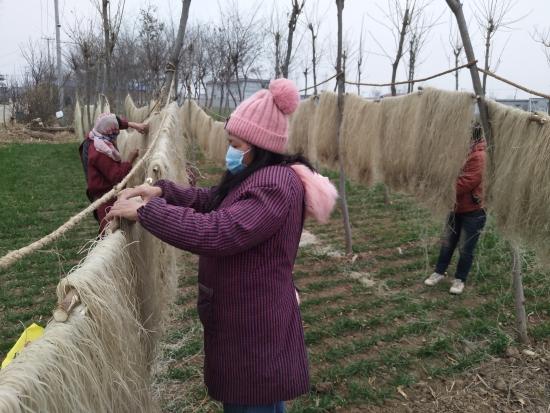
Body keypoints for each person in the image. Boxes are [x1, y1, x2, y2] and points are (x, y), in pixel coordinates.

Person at [106, 78, 338, 412]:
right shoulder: (259, 176)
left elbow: (218, 230)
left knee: (253, 401)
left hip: (254, 331)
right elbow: (216, 199)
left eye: (235, 143)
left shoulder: (274, 187)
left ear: (259, 146)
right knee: (261, 401)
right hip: (245, 322)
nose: (229, 149)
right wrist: (165, 192)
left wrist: (147, 212)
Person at [424, 122, 487, 295]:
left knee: (466, 248)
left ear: (471, 136)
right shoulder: (462, 152)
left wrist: (442, 188)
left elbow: (466, 183)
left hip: (473, 211)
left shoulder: (479, 156)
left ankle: (460, 279)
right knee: (447, 243)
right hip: (455, 207)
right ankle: (439, 272)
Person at [79, 113, 148, 233]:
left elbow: (112, 122)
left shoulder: (96, 135)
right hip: (105, 196)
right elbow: (117, 177)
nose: (117, 135)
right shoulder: (100, 152)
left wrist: (134, 125)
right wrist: (130, 160)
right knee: (109, 227)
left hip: (103, 192)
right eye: (115, 132)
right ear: (109, 132)